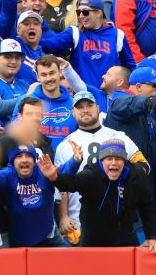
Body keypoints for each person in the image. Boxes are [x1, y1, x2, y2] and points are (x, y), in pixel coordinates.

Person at [51, 90, 147, 243]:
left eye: (89, 105)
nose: (85, 110)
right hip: (81, 220)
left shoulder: (118, 136)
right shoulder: (65, 144)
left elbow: (144, 166)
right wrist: (63, 216)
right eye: (80, 107)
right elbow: (62, 186)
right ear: (73, 112)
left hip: (119, 219)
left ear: (97, 107)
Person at [50, 139, 156, 249]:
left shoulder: (135, 175)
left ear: (125, 161)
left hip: (126, 237)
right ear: (102, 160)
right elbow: (69, 184)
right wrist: (54, 177)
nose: (114, 163)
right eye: (109, 158)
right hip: (93, 240)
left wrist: (152, 237)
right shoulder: (91, 175)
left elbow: (147, 207)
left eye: (118, 158)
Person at [41, 0, 137, 94]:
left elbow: (130, 67)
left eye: (85, 12)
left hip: (111, 96)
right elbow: (49, 46)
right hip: (83, 96)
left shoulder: (117, 35)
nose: (81, 16)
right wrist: (37, 27)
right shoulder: (75, 32)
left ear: (99, 13)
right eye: (79, 12)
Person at [0, 144, 63, 248]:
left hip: (49, 235)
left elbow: (65, 171)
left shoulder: (43, 171)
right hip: (20, 239)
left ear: (34, 160)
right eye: (19, 156)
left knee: (68, 261)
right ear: (13, 162)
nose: (24, 160)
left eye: (28, 156)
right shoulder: (9, 174)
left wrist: (75, 160)